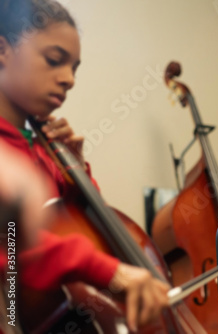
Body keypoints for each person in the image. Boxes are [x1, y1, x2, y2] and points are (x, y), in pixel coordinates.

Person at [0, 0, 170, 331]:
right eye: (54, 60)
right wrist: (112, 272)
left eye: (74, 68)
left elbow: (86, 229)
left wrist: (78, 175)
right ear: (3, 50)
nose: (69, 79)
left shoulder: (45, 148)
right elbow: (11, 244)